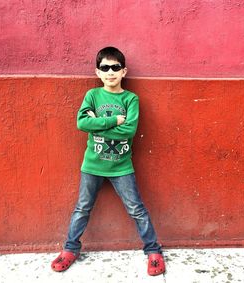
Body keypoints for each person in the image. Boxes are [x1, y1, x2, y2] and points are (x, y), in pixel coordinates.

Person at [51, 46, 165, 276]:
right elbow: (82, 124)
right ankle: (70, 248)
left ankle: (153, 251)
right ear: (98, 72)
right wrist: (114, 120)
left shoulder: (131, 99)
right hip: (92, 165)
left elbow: (129, 130)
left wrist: (99, 126)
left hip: (121, 166)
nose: (110, 71)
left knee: (137, 209)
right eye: (105, 67)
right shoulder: (92, 96)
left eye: (115, 67)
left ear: (124, 71)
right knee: (82, 208)